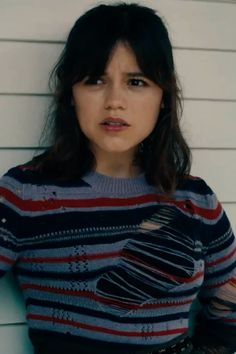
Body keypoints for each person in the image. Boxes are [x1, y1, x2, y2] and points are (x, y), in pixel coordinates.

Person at [0, 3, 235, 354]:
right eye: (95, 80)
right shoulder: (25, 194)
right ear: (70, 95)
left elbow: (229, 309)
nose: (115, 101)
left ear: (163, 97)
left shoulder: (196, 200)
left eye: (136, 82)